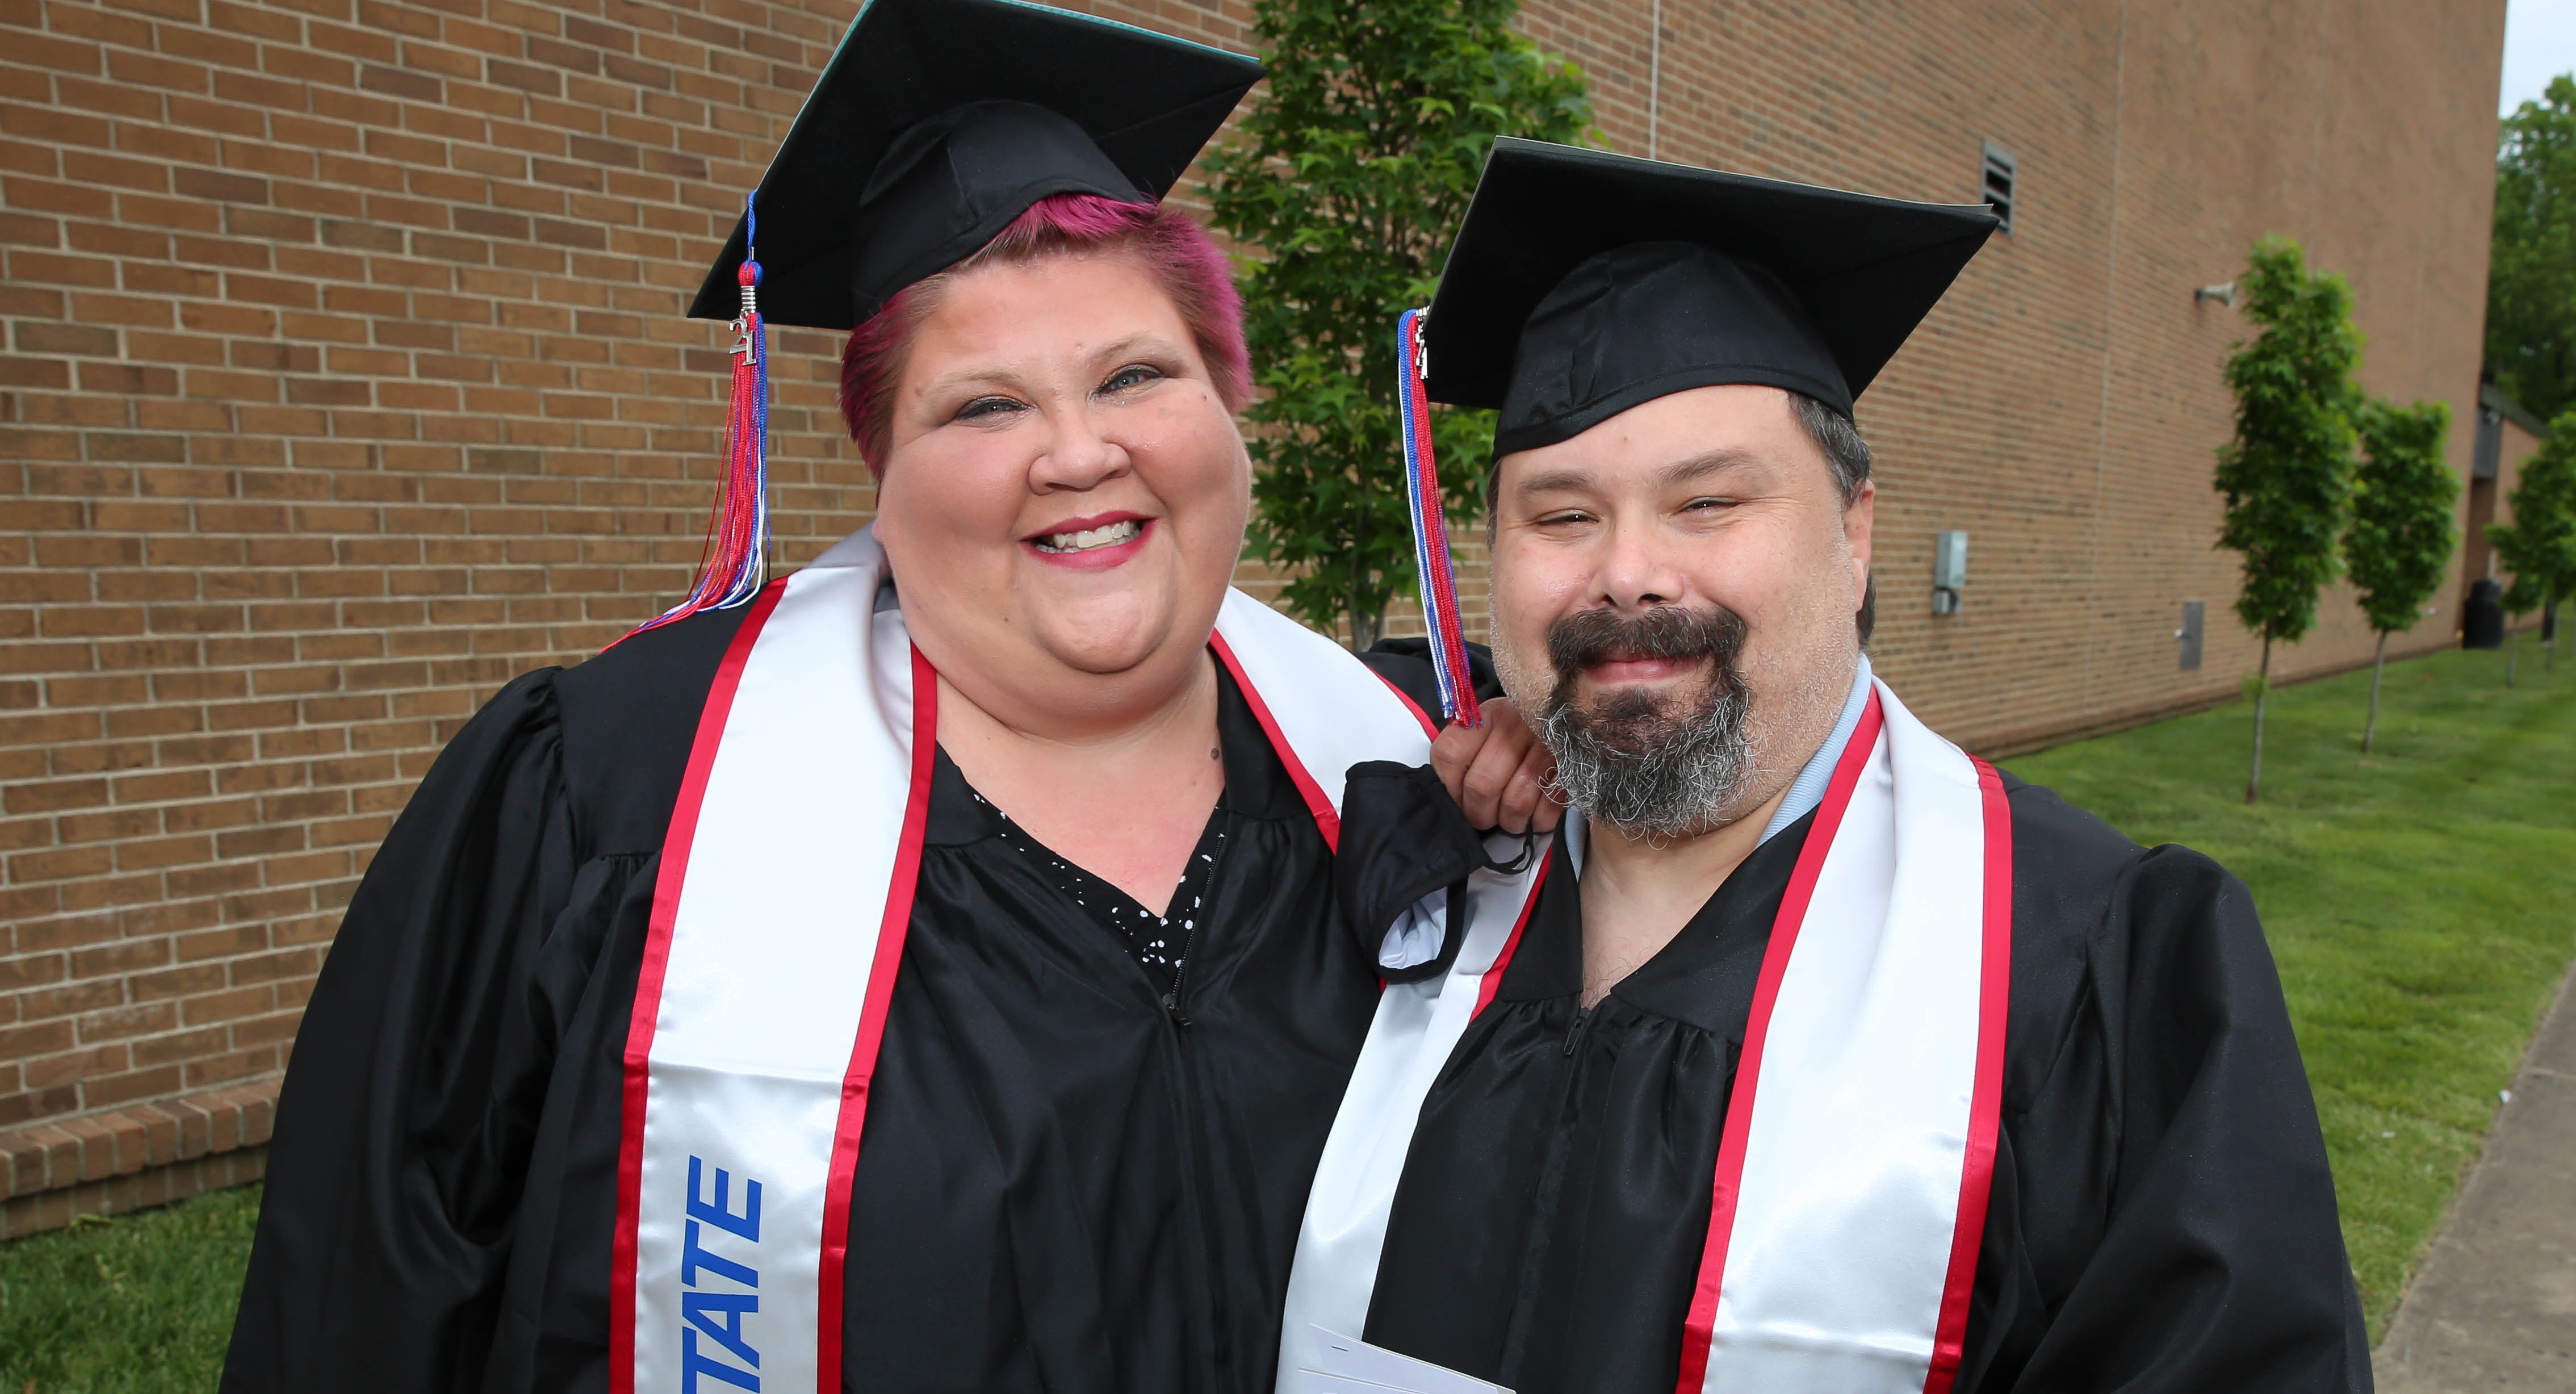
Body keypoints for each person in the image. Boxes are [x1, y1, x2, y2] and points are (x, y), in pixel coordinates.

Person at [219, 5, 1556, 1391]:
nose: (1077, 453)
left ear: (1231, 410)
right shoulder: (617, 795)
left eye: (1135, 376)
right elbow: (363, 1313)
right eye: (982, 406)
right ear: (880, 461)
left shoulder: (1412, 780)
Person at [1283, 139, 2372, 1393]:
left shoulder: (2079, 969)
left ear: (1854, 534)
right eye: (1562, 515)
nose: (1627, 575)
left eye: (1707, 502)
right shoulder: (1410, 885)